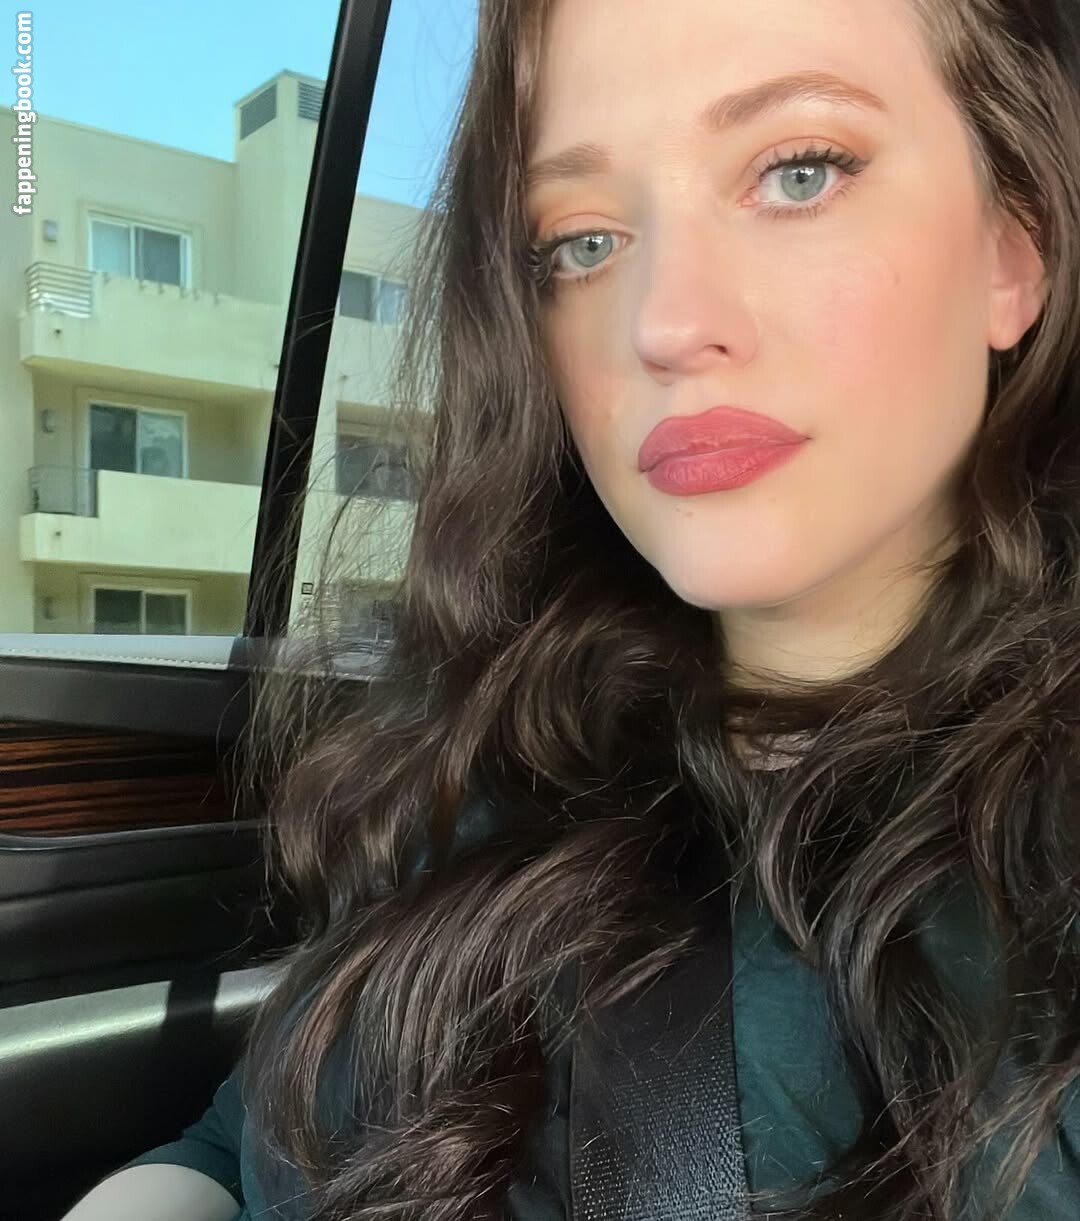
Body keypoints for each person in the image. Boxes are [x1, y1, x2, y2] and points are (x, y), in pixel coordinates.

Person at [63, 0, 1080, 1216]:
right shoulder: (498, 735)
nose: (662, 323)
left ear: (1015, 248)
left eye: (799, 172)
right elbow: (242, 1142)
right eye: (584, 241)